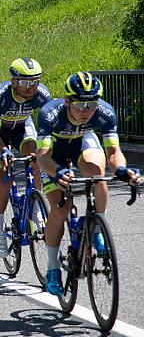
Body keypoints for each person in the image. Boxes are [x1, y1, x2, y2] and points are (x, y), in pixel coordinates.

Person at [37, 72, 141, 296]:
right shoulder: (50, 114)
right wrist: (57, 172)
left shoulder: (104, 112)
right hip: (55, 153)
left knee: (97, 175)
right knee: (60, 209)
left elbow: (113, 152)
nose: (86, 110)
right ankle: (53, 268)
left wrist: (122, 170)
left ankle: (96, 226)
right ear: (67, 101)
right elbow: (43, 157)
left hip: (82, 142)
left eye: (91, 104)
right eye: (80, 104)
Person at [0, 58, 52, 258]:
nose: (31, 87)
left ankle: (36, 208)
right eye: (26, 82)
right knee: (4, 180)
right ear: (14, 81)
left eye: (35, 81)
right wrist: (4, 151)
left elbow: (50, 126)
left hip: (23, 129)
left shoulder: (42, 94)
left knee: (36, 157)